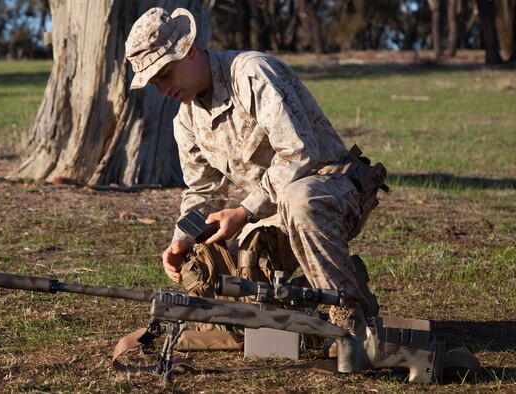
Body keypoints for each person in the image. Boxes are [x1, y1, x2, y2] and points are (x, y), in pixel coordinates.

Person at [124, 7, 386, 348]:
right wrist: (182, 241)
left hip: (331, 190)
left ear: (188, 51)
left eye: (165, 74)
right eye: (154, 82)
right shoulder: (186, 120)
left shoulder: (251, 73)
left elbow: (298, 153)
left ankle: (350, 316)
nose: (163, 90)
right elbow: (202, 191)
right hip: (272, 210)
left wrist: (243, 212)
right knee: (218, 268)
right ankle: (298, 324)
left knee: (299, 200)